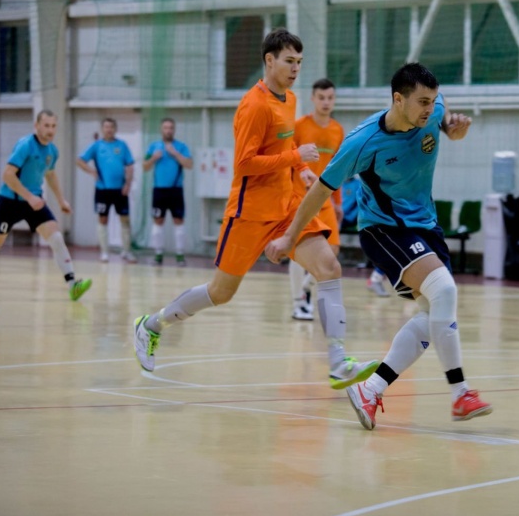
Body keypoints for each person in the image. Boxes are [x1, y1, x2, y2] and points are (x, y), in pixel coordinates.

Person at [132, 28, 378, 391]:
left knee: (329, 266)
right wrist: (295, 157)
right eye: (289, 61)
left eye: (299, 62)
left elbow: (285, 143)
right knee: (221, 292)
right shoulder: (254, 105)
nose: (296, 68)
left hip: (285, 207)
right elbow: (244, 164)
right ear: (269, 60)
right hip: (248, 213)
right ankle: (152, 325)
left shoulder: (289, 99)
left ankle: (338, 362)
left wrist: (301, 168)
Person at [266, 62, 492, 430]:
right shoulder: (363, 142)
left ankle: (370, 390)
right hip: (383, 229)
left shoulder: (433, 110)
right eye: (422, 102)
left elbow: (444, 115)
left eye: (433, 101)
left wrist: (453, 129)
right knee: (445, 292)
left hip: (426, 226)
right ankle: (460, 393)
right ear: (398, 99)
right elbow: (321, 189)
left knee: (431, 315)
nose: (430, 108)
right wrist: (290, 237)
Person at [0, 110, 92, 301]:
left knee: (56, 237)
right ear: (37, 125)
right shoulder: (25, 145)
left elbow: (50, 174)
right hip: (10, 201)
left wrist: (61, 200)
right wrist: (29, 197)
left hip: (34, 203)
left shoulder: (52, 151)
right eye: (46, 125)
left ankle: (73, 285)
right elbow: (7, 175)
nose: (50, 130)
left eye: (53, 126)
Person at [289, 78, 346, 321]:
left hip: (324, 200)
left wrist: (338, 201)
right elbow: (288, 159)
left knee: (332, 249)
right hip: (300, 199)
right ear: (313, 99)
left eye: (330, 98)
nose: (325, 102)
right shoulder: (299, 126)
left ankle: (305, 289)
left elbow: (338, 169)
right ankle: (297, 303)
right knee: (298, 251)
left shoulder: (338, 130)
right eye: (321, 98)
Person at [75, 117, 137, 263]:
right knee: (103, 218)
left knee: (125, 219)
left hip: (120, 190)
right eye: (106, 127)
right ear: (102, 129)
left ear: (115, 129)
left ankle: (126, 251)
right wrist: (91, 171)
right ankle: (104, 252)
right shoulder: (96, 146)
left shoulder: (122, 145)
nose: (109, 129)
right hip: (102, 190)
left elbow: (130, 165)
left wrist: (128, 184)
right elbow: (80, 160)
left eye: (111, 127)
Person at [142, 117, 192, 266]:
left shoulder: (181, 146)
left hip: (176, 190)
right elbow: (145, 166)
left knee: (178, 220)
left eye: (171, 128)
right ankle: (158, 255)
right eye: (166, 128)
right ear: (161, 129)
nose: (168, 130)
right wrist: (153, 158)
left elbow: (189, 164)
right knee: (158, 220)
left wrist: (175, 154)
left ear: (174, 130)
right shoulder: (153, 146)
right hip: (159, 190)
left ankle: (180, 255)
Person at [340, 175, 390, 298]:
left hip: (360, 219)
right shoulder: (340, 183)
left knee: (389, 246)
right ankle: (376, 278)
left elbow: (359, 204)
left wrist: (355, 217)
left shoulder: (361, 184)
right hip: (353, 219)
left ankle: (376, 277)